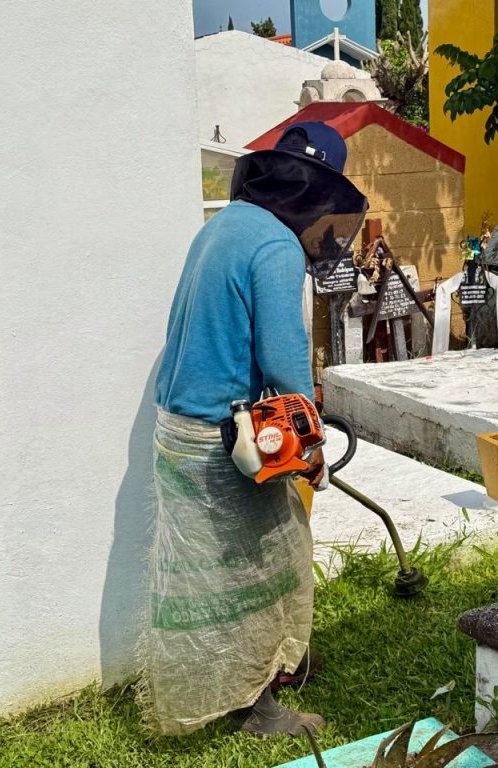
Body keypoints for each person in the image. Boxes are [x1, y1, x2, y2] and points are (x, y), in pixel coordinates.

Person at [141, 122, 368, 737]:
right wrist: (312, 443)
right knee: (261, 565)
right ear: (317, 194)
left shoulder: (224, 225)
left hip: (178, 427)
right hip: (218, 439)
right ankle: (257, 704)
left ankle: (281, 662)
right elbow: (284, 358)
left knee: (224, 566)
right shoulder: (276, 246)